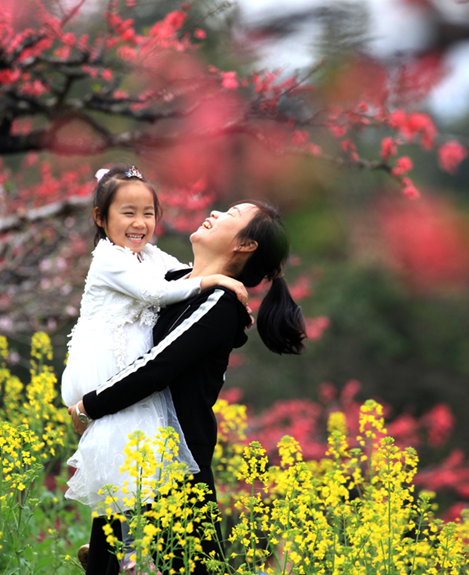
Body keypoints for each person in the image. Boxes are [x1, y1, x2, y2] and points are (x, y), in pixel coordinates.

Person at [69, 200, 307, 575]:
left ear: (245, 245)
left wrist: (90, 406)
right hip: (134, 456)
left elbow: (158, 365)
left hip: (175, 471)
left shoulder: (221, 303)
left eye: (231, 215)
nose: (215, 213)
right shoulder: (173, 280)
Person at [60, 165, 249, 569]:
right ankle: (117, 553)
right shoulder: (109, 258)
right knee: (132, 456)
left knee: (135, 463)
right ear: (100, 218)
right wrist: (215, 281)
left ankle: (112, 554)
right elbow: (157, 289)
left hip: (125, 383)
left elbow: (175, 271)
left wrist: (214, 282)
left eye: (148, 213)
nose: (140, 222)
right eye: (127, 213)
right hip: (104, 371)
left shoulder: (149, 257)